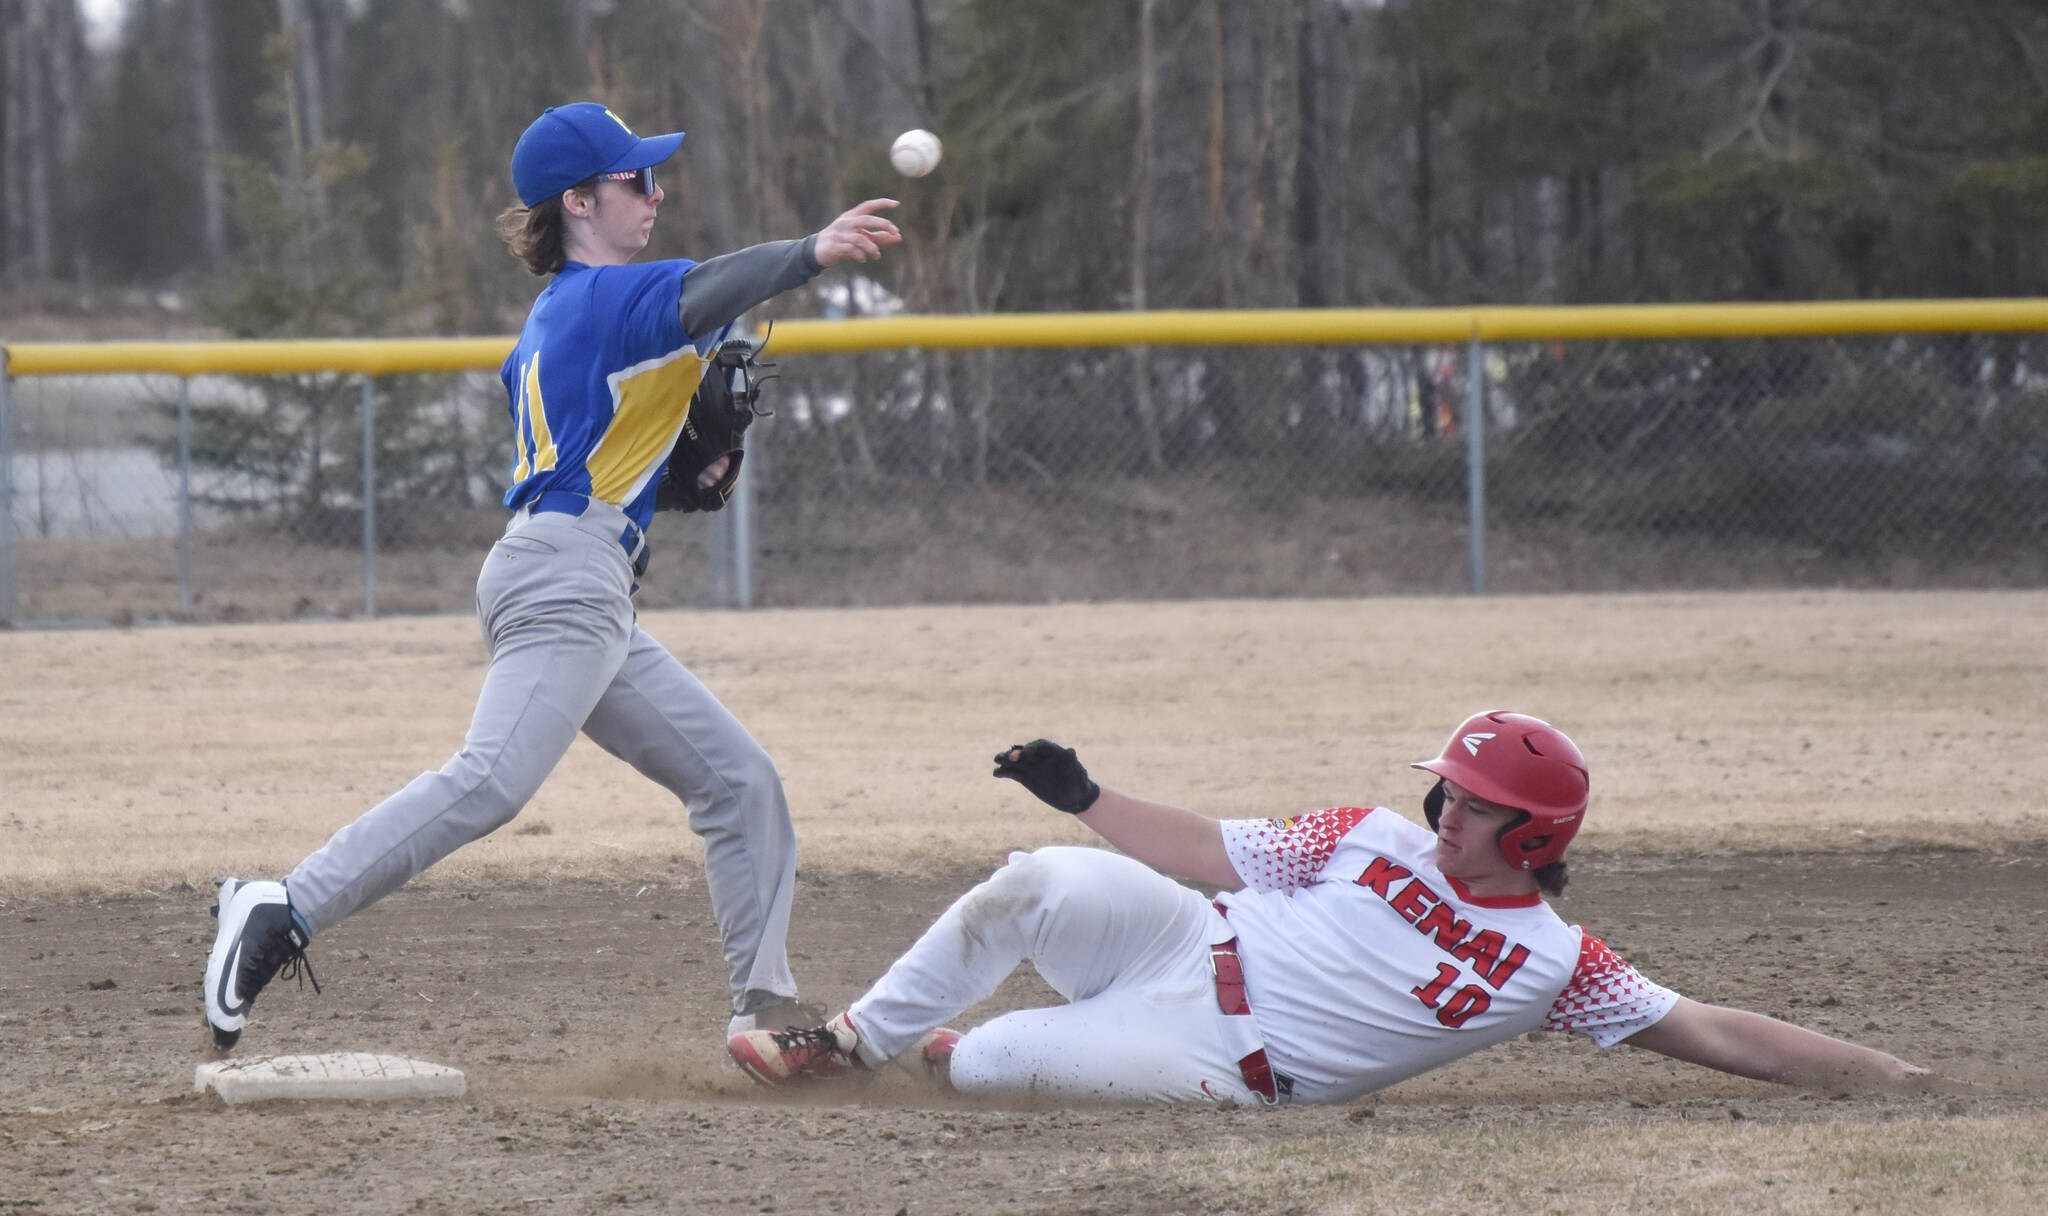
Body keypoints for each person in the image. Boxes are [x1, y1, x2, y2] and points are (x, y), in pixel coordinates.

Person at [203, 101, 903, 1052]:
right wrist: (810, 251)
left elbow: (611, 442)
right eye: (634, 180)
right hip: (564, 577)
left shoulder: (560, 319)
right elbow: (705, 291)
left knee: (739, 783)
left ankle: (764, 1013)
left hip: (583, 572)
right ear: (577, 202)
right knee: (490, 781)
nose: (656, 193)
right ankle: (281, 904)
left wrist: (685, 466)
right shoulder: (602, 297)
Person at [727, 711, 1929, 1104]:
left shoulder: (1556, 963)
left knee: (988, 1066)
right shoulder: (1364, 833)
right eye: (1446, 786)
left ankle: (943, 1047)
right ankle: (845, 1043)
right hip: (1185, 938)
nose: (1444, 807)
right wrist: (1086, 797)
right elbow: (1201, 850)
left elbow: (1710, 1028)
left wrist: (1883, 1072)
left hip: (1219, 1058)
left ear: (1536, 835)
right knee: (1034, 876)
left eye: (1472, 801)